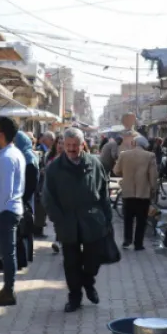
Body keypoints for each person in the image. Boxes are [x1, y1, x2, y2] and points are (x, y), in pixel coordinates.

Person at [43, 127, 112, 313]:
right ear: (63, 145)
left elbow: (104, 191)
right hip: (68, 223)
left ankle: (88, 282)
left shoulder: (95, 163)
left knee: (92, 260)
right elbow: (48, 198)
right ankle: (75, 297)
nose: (72, 149)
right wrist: (58, 219)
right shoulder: (54, 168)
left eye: (75, 145)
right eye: (68, 145)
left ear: (83, 145)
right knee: (71, 263)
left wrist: (107, 218)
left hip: (92, 221)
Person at [0, 117, 26, 306]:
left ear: (2, 134)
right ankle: (6, 287)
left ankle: (9, 291)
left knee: (7, 253)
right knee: (6, 253)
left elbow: (7, 190)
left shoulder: (7, 157)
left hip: (6, 211)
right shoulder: (12, 153)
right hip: (11, 209)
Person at [113, 135, 158, 251]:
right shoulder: (150, 156)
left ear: (134, 143)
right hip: (143, 193)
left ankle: (127, 241)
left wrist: (126, 174)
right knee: (141, 220)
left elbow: (116, 171)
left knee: (128, 218)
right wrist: (154, 189)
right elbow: (153, 177)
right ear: (145, 146)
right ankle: (138, 244)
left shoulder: (124, 154)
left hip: (128, 192)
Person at [14, 131, 39, 267]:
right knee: (25, 230)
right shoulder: (29, 155)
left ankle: (22, 258)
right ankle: (25, 257)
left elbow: (31, 182)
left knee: (22, 230)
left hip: (25, 199)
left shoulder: (27, 158)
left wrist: (22, 199)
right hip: (27, 200)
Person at [34, 132, 56, 239]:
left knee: (42, 209)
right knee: (40, 208)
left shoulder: (46, 150)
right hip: (40, 183)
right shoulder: (41, 150)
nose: (52, 142)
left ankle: (39, 228)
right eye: (51, 140)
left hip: (43, 182)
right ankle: (38, 230)